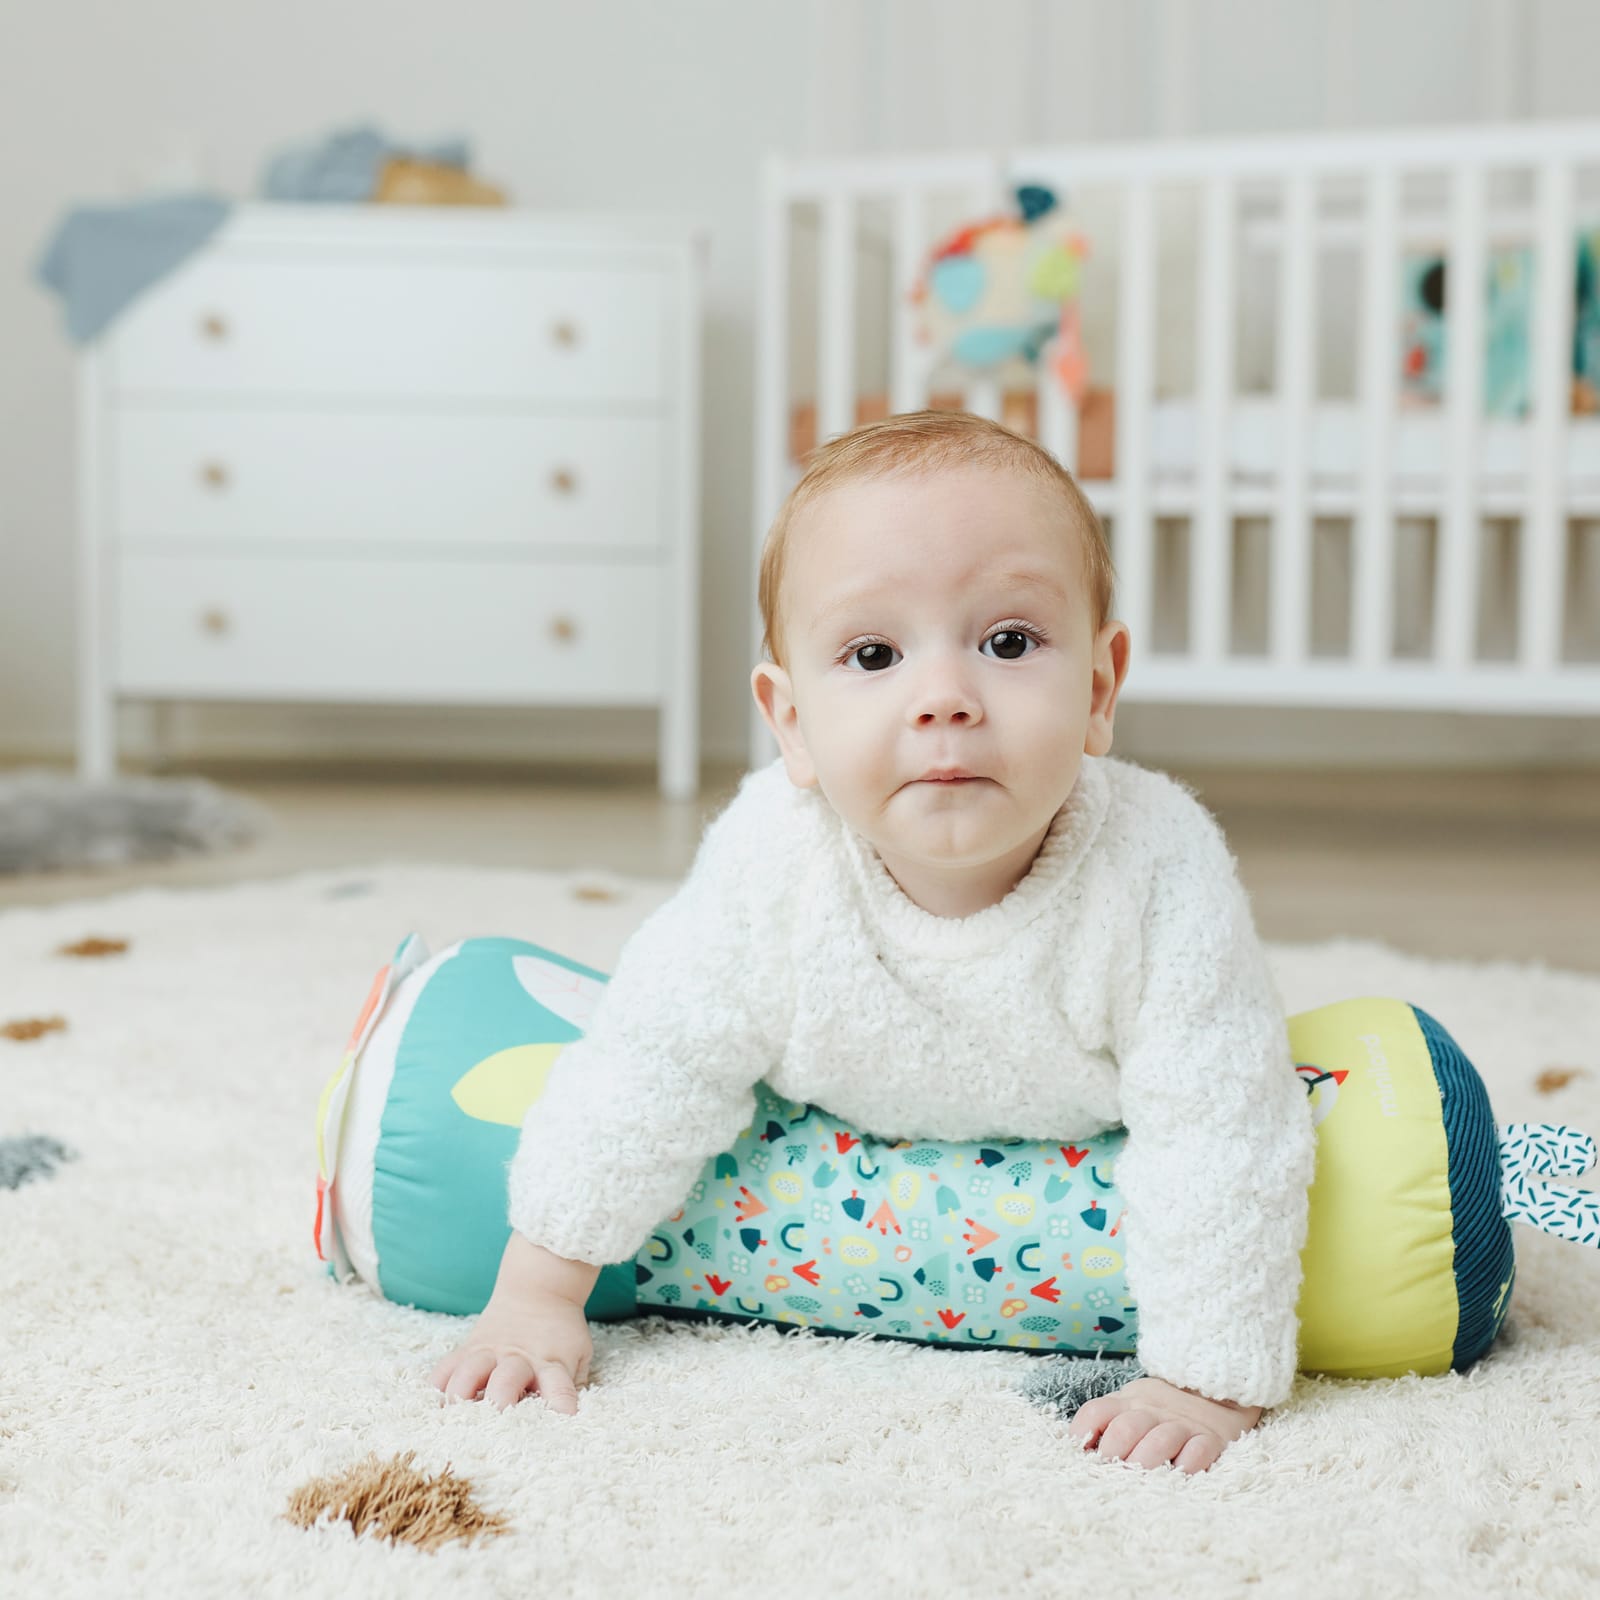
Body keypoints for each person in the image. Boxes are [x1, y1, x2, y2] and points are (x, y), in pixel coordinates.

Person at [430, 410, 1316, 1475]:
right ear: (790, 719)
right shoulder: (772, 860)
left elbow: (1222, 1123)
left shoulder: (1161, 866)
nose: (943, 698)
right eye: (872, 653)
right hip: (827, 1103)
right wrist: (538, 1289)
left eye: (1007, 642)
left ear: (1097, 689)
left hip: (1083, 1126)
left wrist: (1205, 1376)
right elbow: (649, 1058)